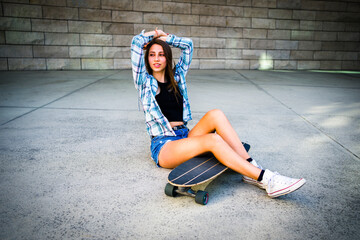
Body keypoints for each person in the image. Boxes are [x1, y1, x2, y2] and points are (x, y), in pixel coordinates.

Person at [131, 28, 306, 198]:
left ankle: (249, 168)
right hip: (165, 145)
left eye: (161, 54)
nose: (156, 59)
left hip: (184, 136)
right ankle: (266, 179)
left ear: (167, 57)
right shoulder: (144, 83)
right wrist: (154, 35)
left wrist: (166, 38)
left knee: (216, 114)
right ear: (147, 58)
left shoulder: (177, 76)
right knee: (213, 140)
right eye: (152, 54)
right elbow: (136, 42)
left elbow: (188, 45)